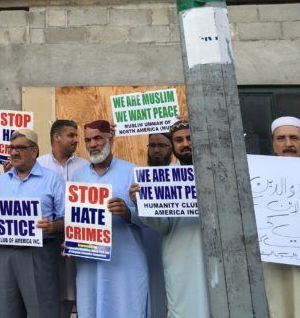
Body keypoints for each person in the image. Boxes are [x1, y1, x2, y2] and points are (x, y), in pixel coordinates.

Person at [0, 128, 64, 318]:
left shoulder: (53, 180)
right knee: (8, 312)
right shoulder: (1, 182)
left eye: (20, 148)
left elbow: (66, 219)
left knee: (42, 312)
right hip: (5, 255)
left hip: (38, 254)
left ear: (34, 151)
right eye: (12, 148)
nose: (14, 152)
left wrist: (53, 226)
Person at [129, 120, 209, 318]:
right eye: (179, 140)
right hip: (180, 258)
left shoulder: (217, 171)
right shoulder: (165, 176)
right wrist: (142, 204)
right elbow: (162, 225)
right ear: (173, 146)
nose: (185, 144)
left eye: (190, 138)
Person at [72, 120, 148, 318]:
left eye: (97, 138)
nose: (92, 144)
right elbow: (73, 218)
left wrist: (127, 212)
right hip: (89, 264)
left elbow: (150, 220)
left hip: (125, 263)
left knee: (126, 309)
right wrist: (70, 240)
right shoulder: (77, 177)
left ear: (110, 139)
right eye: (87, 140)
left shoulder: (132, 172)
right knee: (91, 308)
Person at [262, 116, 300, 318]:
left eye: (294, 138)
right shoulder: (258, 178)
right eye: (281, 138)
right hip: (276, 266)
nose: (288, 144)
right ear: (274, 145)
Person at [36, 119, 87, 318]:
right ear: (57, 137)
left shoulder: (85, 167)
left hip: (79, 239)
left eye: (76, 135)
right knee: (51, 293)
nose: (76, 140)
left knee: (78, 292)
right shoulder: (38, 165)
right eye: (71, 135)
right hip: (48, 240)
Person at [143, 132, 171, 318]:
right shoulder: (139, 177)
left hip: (173, 246)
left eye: (162, 145)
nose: (156, 150)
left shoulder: (181, 175)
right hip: (146, 248)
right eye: (152, 145)